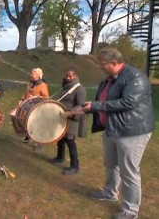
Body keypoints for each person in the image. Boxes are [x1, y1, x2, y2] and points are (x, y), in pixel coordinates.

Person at [82, 47, 154, 219]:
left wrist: (96, 106)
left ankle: (130, 211)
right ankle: (110, 192)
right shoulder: (108, 79)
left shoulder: (135, 77)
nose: (100, 66)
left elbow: (128, 102)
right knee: (111, 164)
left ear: (114, 63)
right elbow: (103, 100)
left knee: (129, 171)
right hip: (112, 129)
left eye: (102, 63)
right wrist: (89, 108)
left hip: (131, 131)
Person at [50, 69, 86, 175]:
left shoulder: (80, 89)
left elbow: (80, 105)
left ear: (76, 76)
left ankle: (75, 166)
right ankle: (60, 157)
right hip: (62, 118)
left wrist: (71, 112)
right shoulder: (65, 87)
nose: (68, 78)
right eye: (67, 76)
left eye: (70, 76)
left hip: (71, 119)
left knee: (70, 141)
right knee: (60, 137)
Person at [19, 68, 49, 144]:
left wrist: (36, 98)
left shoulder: (42, 85)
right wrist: (21, 99)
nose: (31, 75)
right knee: (27, 122)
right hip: (28, 106)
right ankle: (27, 136)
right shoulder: (30, 83)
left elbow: (46, 97)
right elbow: (26, 93)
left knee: (36, 124)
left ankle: (38, 141)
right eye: (31, 73)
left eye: (33, 74)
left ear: (38, 75)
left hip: (37, 108)